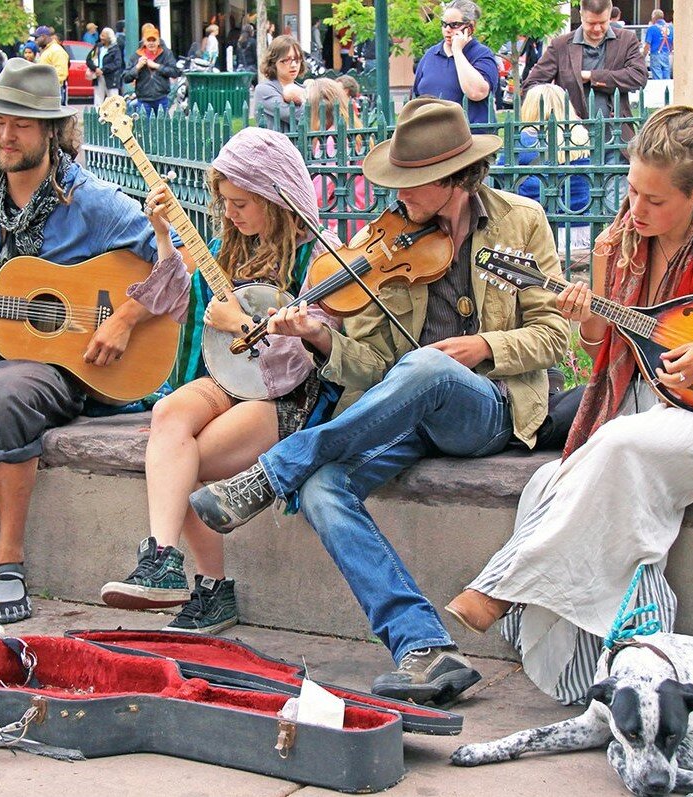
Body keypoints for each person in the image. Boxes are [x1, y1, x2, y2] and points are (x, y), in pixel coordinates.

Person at [188, 98, 569, 704]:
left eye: (410, 185)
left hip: (492, 409)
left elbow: (558, 335)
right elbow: (369, 368)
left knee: (427, 365)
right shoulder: (379, 243)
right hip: (405, 413)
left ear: (451, 179)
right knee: (321, 488)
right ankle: (423, 646)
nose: (397, 198)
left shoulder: (521, 222)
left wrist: (483, 345)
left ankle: (272, 472)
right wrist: (317, 336)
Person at [448, 106, 693, 705]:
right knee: (549, 481)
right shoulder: (618, 242)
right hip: (640, 404)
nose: (638, 209)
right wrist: (588, 315)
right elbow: (603, 343)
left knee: (618, 447)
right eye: (632, 190)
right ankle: (592, 674)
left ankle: (505, 585)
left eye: (655, 200)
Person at [0, 59, 163, 624]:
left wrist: (123, 319)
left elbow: (172, 266)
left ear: (51, 132)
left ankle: (10, 561)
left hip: (59, 359)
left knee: (8, 392)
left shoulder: (89, 199)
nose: (6, 136)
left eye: (21, 124)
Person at [99, 128, 343, 633]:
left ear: (278, 200)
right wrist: (164, 235)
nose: (230, 214)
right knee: (168, 416)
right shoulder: (225, 249)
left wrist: (240, 324)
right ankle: (163, 560)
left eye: (242, 204)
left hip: (289, 396)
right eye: (224, 202)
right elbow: (169, 298)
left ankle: (213, 589)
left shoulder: (316, 258)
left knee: (186, 464)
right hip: (227, 379)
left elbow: (308, 355)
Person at [523, 0, 647, 159]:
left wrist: (592, 76)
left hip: (616, 140)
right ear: (581, 16)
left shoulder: (626, 40)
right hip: (572, 144)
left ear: (610, 15)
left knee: (616, 183)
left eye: (603, 22)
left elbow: (639, 76)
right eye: (591, 23)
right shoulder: (561, 45)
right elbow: (531, 86)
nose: (597, 28)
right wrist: (556, 104)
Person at [504, 83, 591, 252]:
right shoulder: (584, 137)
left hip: (539, 232)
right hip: (582, 229)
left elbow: (500, 178)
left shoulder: (523, 140)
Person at [412, 0, 498, 127]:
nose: (447, 30)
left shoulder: (481, 54)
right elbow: (415, 96)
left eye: (454, 25)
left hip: (471, 138)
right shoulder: (431, 55)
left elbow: (476, 93)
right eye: (444, 24)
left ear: (470, 27)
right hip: (431, 136)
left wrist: (457, 51)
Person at [307, 78, 370, 238]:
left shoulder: (332, 139)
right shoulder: (355, 130)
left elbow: (321, 191)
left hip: (339, 222)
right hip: (360, 214)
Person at [123, 25, 179, 116]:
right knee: (145, 128)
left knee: (162, 127)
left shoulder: (166, 54)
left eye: (154, 40)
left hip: (162, 98)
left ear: (158, 41)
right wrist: (137, 67)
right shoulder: (136, 56)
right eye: (149, 40)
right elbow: (126, 78)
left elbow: (175, 72)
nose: (151, 43)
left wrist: (157, 66)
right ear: (144, 42)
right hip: (143, 99)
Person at [254, 35, 306, 131]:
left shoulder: (303, 88)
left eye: (297, 59)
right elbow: (289, 114)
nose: (294, 65)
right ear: (273, 62)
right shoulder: (264, 89)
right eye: (286, 60)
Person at [86, 26, 123, 106]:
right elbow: (89, 59)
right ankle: (98, 116)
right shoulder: (98, 47)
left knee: (113, 100)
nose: (101, 37)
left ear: (109, 37)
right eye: (101, 35)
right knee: (98, 100)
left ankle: (114, 117)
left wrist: (103, 70)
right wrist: (95, 69)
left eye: (103, 36)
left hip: (111, 78)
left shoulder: (115, 49)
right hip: (98, 77)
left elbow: (117, 64)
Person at [34, 25, 70, 104]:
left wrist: (47, 84)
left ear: (43, 36)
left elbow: (61, 74)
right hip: (44, 90)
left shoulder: (56, 50)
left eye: (36, 38)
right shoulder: (46, 50)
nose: (35, 41)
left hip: (53, 92)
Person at [643, 9, 674, 80]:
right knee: (667, 76)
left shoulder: (652, 28)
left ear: (654, 17)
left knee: (657, 78)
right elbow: (673, 43)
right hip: (667, 55)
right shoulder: (671, 28)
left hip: (656, 55)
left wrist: (643, 56)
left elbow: (647, 45)